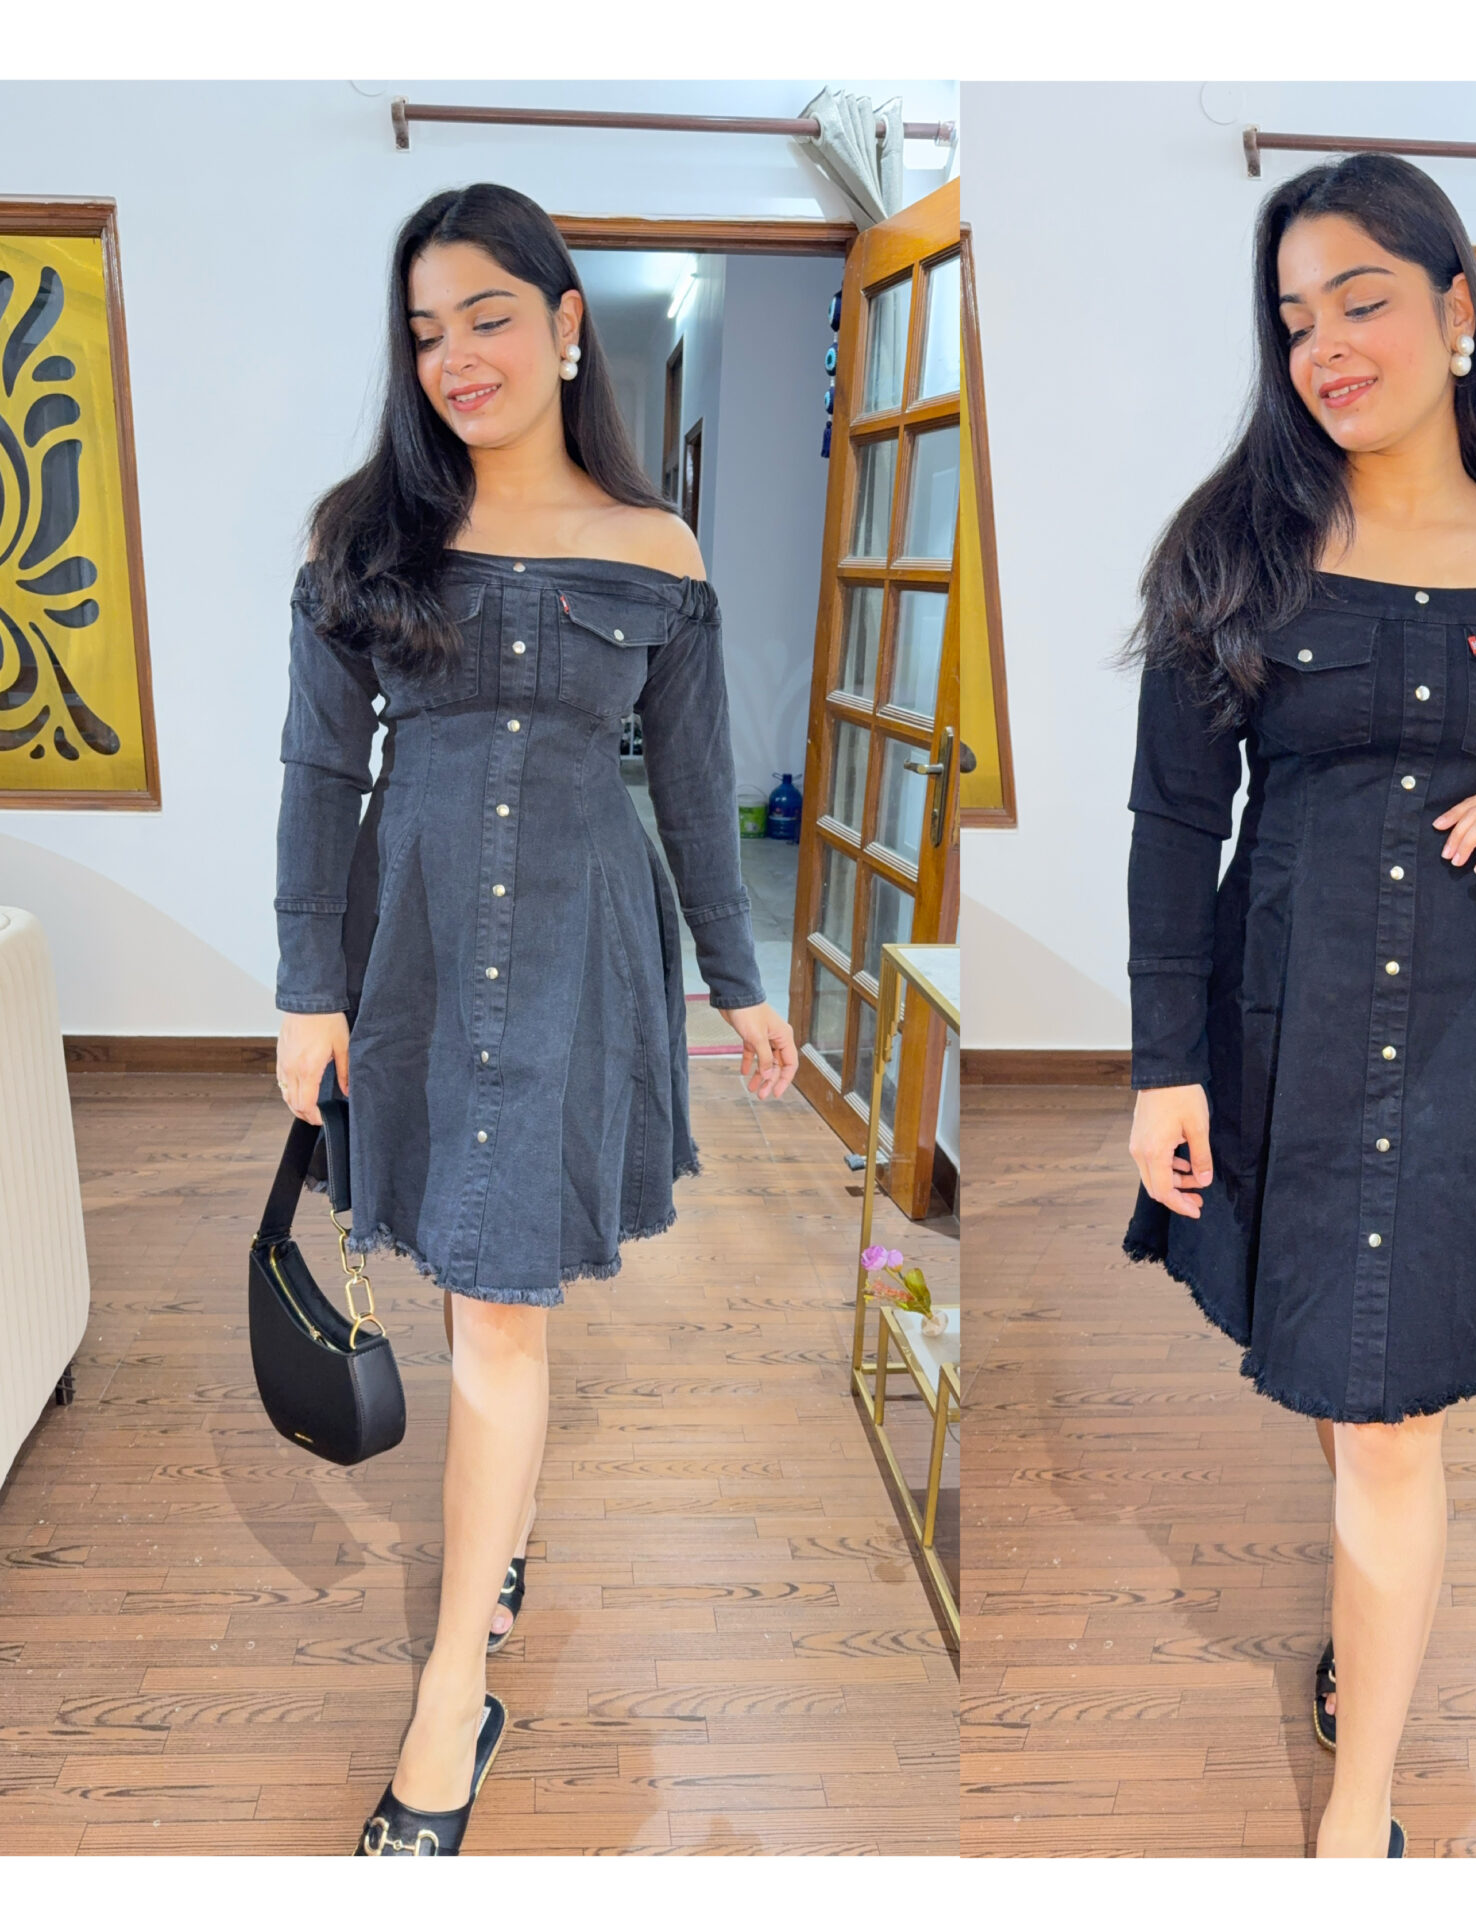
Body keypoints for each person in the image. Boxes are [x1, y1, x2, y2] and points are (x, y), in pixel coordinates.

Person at [1120, 155, 1476, 1859]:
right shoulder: (1236, 550)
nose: (1326, 347)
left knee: (1384, 1413)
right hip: (1281, 1024)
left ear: (1456, 315)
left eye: (1360, 301)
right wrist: (1163, 1069)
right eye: (1296, 319)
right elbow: (1173, 825)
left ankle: (1357, 1820)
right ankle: (1359, 1659)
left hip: (1469, 1033)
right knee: (1350, 1385)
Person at [272, 183, 798, 1856]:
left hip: (579, 949)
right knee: (463, 1263)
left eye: (488, 317)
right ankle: (496, 1543)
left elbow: (699, 793)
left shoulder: (659, 553)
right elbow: (316, 773)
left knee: (500, 1300)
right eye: (426, 331)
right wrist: (305, 984)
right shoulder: (363, 535)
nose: (457, 358)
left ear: (567, 323)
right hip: (413, 948)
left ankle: (453, 1699)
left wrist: (741, 980)